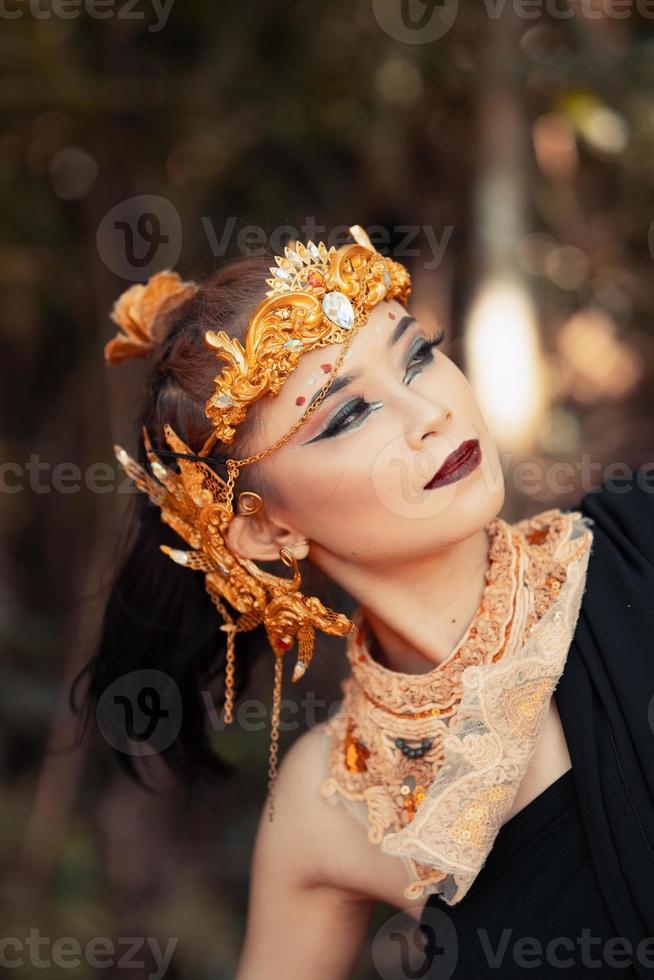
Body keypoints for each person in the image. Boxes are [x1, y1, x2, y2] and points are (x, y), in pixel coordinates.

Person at [71, 226, 654, 979]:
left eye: (416, 355)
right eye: (347, 415)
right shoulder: (333, 799)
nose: (427, 412)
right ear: (263, 527)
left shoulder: (641, 545)